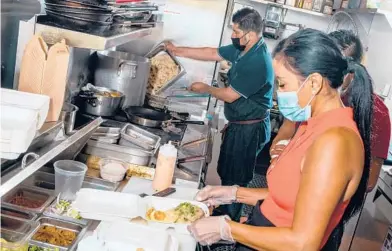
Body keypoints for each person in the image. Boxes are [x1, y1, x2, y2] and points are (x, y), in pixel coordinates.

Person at [187, 28, 374, 251]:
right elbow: (291, 197)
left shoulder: (335, 142)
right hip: (260, 233)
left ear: (314, 83)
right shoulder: (311, 125)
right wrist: (234, 193)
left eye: (283, 84)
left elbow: (303, 243)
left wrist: (226, 229)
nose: (279, 92)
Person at [241, 30, 392, 230]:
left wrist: (321, 179)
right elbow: (288, 129)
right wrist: (282, 152)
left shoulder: (348, 128)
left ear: (347, 72)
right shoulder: (310, 104)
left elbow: (369, 180)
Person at [165, 8, 274, 221]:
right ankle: (224, 214)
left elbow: (230, 95)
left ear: (250, 35)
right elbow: (211, 52)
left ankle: (228, 225)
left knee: (236, 178)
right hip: (240, 124)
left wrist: (205, 88)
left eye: (235, 31)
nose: (232, 36)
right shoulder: (244, 48)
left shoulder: (257, 61)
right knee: (227, 170)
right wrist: (177, 50)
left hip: (249, 128)